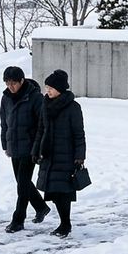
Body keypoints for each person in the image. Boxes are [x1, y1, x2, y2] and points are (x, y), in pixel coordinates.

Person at [34, 69, 87, 237]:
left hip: (66, 156)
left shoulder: (73, 107)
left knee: (63, 192)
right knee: (53, 192)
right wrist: (36, 150)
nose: (47, 91)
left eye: (50, 88)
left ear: (59, 89)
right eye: (46, 88)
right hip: (49, 155)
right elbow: (40, 130)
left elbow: (79, 134)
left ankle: (65, 224)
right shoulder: (45, 104)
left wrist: (80, 157)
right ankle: (64, 223)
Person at [0, 66, 51, 233]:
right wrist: (5, 144)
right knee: (22, 182)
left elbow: (42, 125)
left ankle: (18, 220)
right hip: (14, 146)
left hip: (30, 148)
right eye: (7, 83)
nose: (10, 87)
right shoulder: (6, 98)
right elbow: (4, 124)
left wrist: (39, 147)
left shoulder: (35, 98)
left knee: (22, 185)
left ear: (22, 81)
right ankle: (41, 207)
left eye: (13, 83)